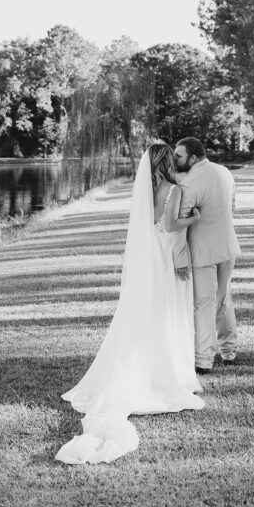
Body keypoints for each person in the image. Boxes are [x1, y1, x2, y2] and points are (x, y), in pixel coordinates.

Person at [55, 142, 204, 465]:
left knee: (145, 309)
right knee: (168, 310)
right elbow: (172, 226)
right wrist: (194, 218)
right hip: (165, 253)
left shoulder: (143, 190)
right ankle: (167, 371)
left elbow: (149, 224)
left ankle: (143, 366)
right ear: (168, 162)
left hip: (148, 253)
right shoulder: (173, 188)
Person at [173, 137, 241, 373]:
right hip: (228, 246)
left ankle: (203, 361)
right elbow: (232, 207)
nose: (175, 159)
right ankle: (229, 352)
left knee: (203, 305)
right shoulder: (224, 172)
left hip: (202, 251)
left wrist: (179, 256)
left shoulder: (190, 183)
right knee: (223, 300)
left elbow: (180, 223)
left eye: (178, 156)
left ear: (192, 157)